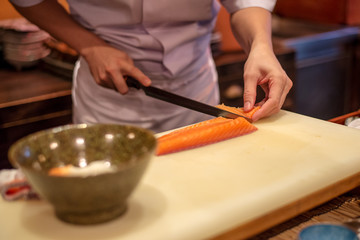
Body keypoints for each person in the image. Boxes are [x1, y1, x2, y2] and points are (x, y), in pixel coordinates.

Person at [9, 0, 292, 133]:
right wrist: (89, 46)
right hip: (108, 98)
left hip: (194, 87)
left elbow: (244, 3)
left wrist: (260, 46)